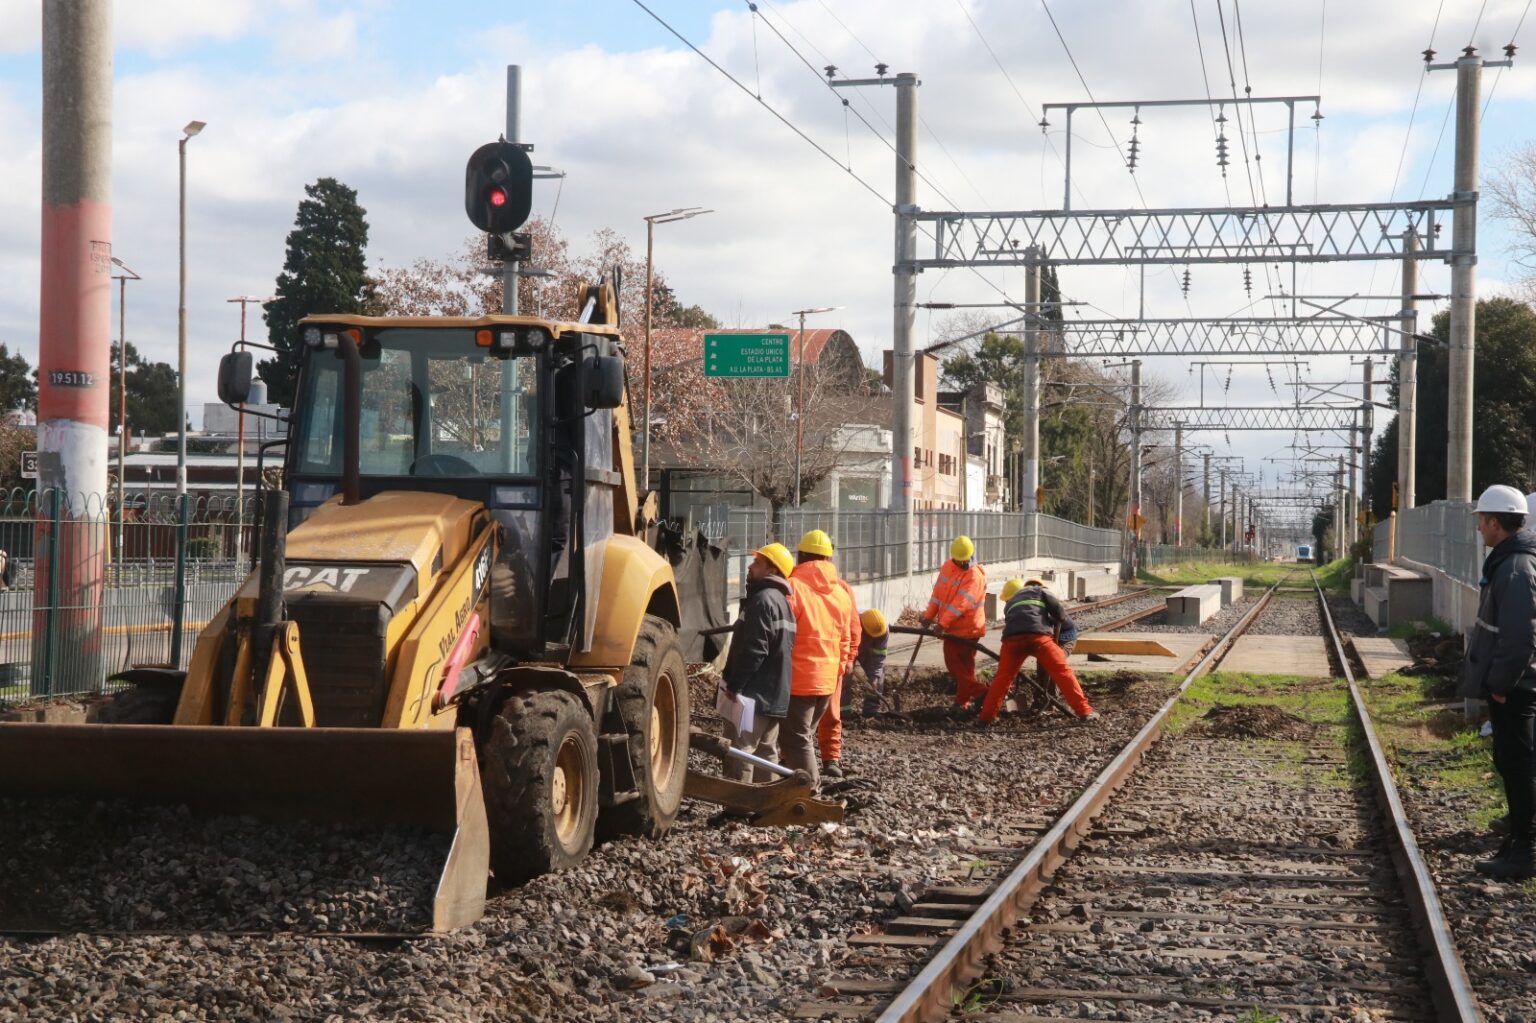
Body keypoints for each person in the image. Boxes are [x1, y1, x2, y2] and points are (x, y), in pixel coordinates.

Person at [1462, 485, 1536, 879]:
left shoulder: (1515, 567)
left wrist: (1500, 684)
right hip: (1513, 685)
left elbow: (1521, 635)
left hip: (1516, 688)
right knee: (1512, 763)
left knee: (1519, 765)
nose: (1478, 529)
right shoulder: (1510, 562)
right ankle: (1517, 844)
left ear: (1495, 522)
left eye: (1481, 521)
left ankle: (1524, 852)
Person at [785, 529, 857, 793]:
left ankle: (809, 790)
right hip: (827, 679)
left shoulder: (793, 587)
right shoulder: (840, 592)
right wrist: (844, 662)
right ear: (829, 558)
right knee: (804, 735)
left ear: (801, 555)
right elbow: (849, 633)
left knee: (797, 738)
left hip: (800, 679)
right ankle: (800, 778)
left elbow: (782, 631)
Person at [719, 542, 797, 783]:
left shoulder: (762, 601)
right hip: (775, 695)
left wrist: (735, 685)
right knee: (766, 753)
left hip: (754, 694)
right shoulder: (784, 604)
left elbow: (754, 649)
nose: (750, 567)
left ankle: (738, 807)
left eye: (757, 563)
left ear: (772, 571)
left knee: (740, 751)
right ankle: (767, 806)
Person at [977, 577, 1096, 724]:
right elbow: (1060, 613)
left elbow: (1017, 622)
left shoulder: (1011, 603)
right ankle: (1085, 712)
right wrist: (1057, 617)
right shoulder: (1042, 591)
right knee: (1062, 672)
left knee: (1002, 679)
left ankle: (985, 718)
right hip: (1038, 638)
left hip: (1012, 641)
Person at [920, 536, 987, 713]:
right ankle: (962, 702)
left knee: (956, 665)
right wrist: (928, 616)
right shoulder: (947, 567)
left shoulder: (974, 575)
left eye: (963, 558)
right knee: (965, 669)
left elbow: (961, 604)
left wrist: (942, 623)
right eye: (958, 558)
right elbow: (937, 595)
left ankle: (982, 693)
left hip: (968, 629)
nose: (961, 561)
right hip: (953, 628)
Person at [848, 608, 891, 717]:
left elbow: (879, 655)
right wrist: (847, 662)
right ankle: (842, 712)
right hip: (848, 650)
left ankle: (871, 711)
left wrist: (875, 677)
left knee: (878, 677)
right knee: (844, 678)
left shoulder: (882, 629)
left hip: (866, 651)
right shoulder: (850, 624)